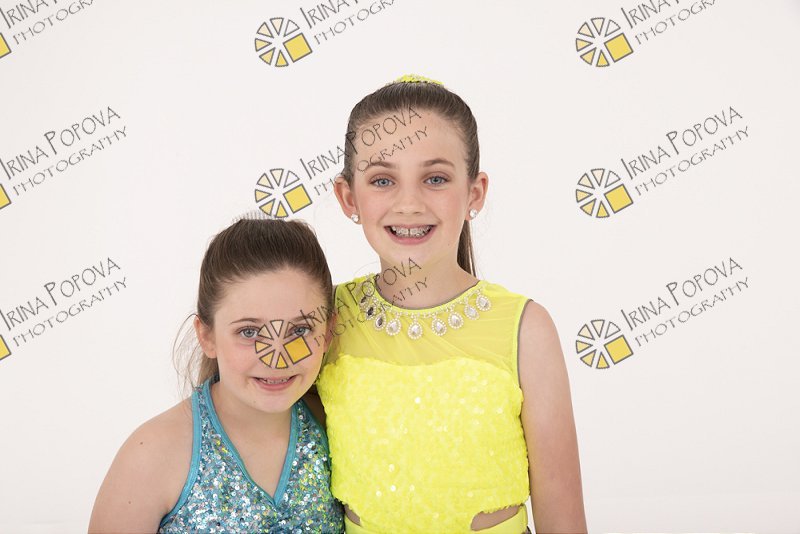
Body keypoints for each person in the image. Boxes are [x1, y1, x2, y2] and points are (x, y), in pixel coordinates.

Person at [316, 75, 587, 533]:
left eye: (435, 179)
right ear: (348, 197)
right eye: (382, 180)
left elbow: (563, 520)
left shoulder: (525, 329)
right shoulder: (328, 318)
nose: (408, 203)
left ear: (474, 193)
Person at [89, 216, 344, 533]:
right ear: (207, 336)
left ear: (327, 332)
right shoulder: (152, 455)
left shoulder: (338, 427)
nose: (277, 357)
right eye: (250, 332)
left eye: (299, 330)